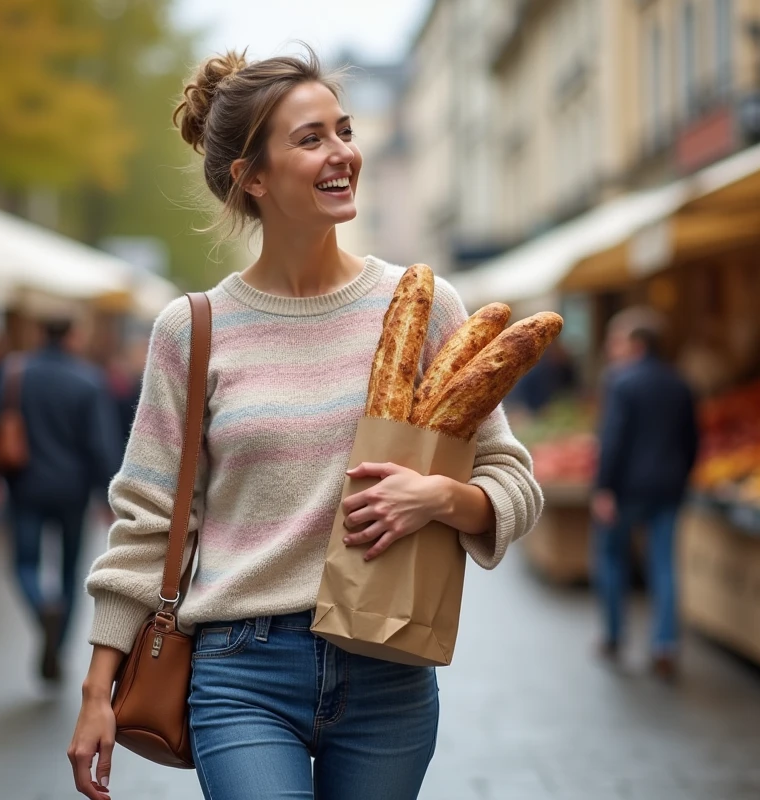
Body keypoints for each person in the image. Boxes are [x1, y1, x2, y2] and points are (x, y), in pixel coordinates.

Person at [67, 48, 543, 800]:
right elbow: (148, 520)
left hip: (390, 665)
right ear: (251, 177)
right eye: (311, 138)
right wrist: (99, 688)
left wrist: (437, 500)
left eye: (344, 130)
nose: (343, 153)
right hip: (241, 670)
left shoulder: (421, 306)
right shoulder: (193, 330)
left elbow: (511, 479)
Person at [0, 318, 121, 684]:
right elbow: (101, 446)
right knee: (70, 573)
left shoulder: (15, 371)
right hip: (73, 492)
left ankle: (42, 608)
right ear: (72, 335)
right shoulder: (88, 379)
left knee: (24, 563)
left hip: (25, 488)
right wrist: (108, 497)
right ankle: (57, 649)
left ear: (41, 334)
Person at [591, 307, 698, 681]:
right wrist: (681, 478)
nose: (611, 348)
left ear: (637, 343)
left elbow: (613, 440)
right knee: (664, 565)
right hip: (668, 489)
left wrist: (604, 488)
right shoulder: (679, 382)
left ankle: (615, 635)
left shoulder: (620, 381)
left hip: (625, 489)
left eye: (617, 340)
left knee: (611, 559)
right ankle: (665, 644)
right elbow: (692, 441)